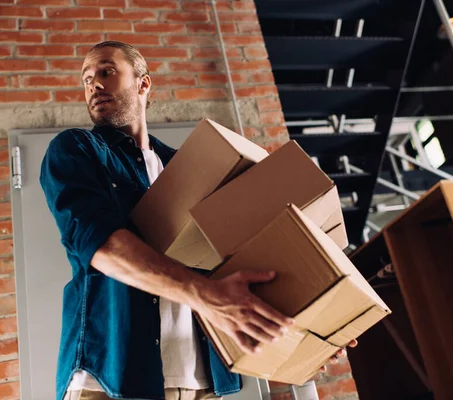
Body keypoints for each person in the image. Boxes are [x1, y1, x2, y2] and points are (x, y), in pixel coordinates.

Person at [40, 41, 353, 400]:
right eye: (87, 78)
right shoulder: (76, 149)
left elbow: (248, 260)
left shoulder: (191, 169)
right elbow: (102, 246)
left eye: (107, 71)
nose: (94, 84)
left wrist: (315, 330)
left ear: (143, 84)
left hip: (199, 381)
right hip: (111, 377)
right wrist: (207, 296)